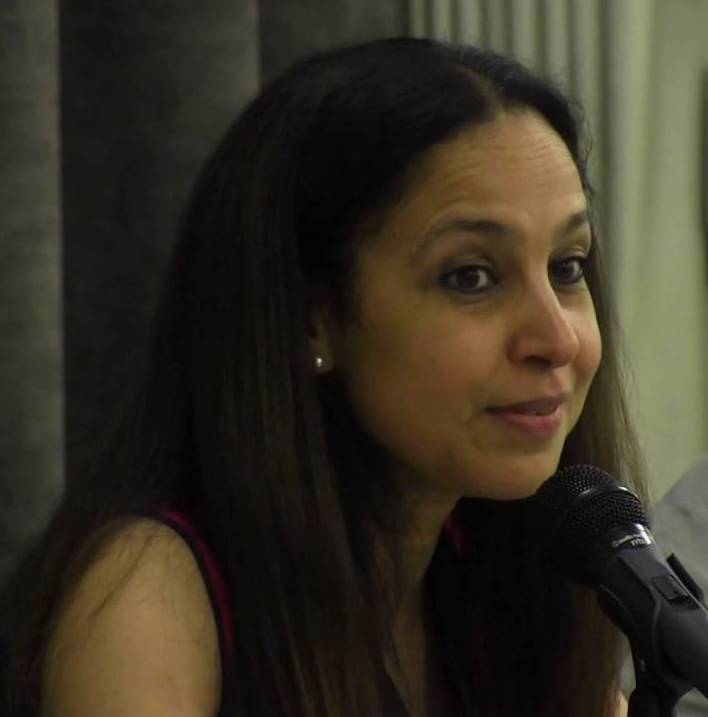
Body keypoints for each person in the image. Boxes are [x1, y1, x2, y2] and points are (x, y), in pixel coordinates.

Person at [0, 37, 646, 716]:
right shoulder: (148, 594)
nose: (557, 339)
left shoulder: (510, 582)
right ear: (312, 320)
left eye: (567, 267)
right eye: (471, 277)